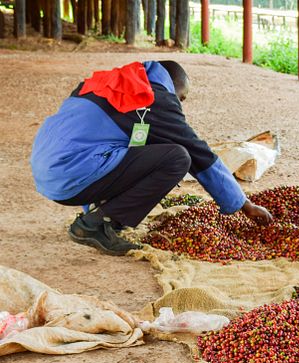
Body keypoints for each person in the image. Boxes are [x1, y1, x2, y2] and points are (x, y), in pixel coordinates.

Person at [30, 61, 272, 256]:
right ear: (173, 86)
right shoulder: (152, 98)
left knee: (135, 152)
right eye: (182, 98)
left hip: (49, 172)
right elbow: (200, 155)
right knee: (177, 157)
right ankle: (95, 224)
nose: (180, 105)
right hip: (71, 175)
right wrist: (244, 205)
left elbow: (90, 141)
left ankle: (96, 214)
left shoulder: (108, 83)